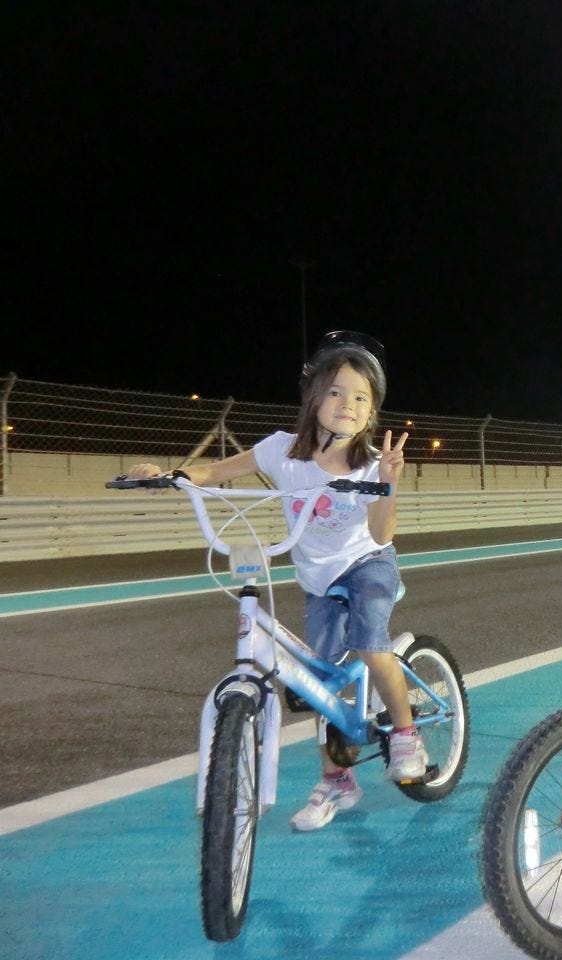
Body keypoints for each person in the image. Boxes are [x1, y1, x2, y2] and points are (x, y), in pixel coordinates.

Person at [127, 330, 432, 830]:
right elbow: (217, 472)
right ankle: (337, 780)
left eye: (361, 397)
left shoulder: (372, 464)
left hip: (368, 563)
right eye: (336, 392)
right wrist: (169, 474)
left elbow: (380, 533)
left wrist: (389, 484)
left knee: (370, 640)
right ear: (314, 399)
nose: (347, 405)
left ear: (371, 410)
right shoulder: (281, 452)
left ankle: (405, 732)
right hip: (318, 575)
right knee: (322, 680)